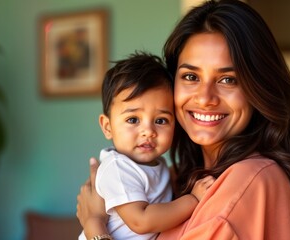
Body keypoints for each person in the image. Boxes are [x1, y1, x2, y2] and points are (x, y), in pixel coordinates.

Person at [77, 0, 290, 239]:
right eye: (191, 77)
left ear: (257, 90)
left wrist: (94, 227)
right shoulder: (177, 176)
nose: (205, 98)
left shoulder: (249, 183)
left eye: (228, 79)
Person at [78, 52, 214, 240]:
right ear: (107, 127)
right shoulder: (117, 168)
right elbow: (141, 221)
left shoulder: (158, 166)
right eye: (133, 119)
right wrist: (193, 200)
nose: (148, 131)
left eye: (161, 120)